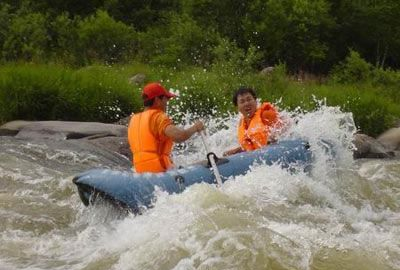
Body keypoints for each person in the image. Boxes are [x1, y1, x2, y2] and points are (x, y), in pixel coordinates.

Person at [128, 82, 204, 173]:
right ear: (157, 100)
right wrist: (196, 127)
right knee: (205, 164)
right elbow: (180, 136)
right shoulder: (158, 117)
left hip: (141, 174)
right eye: (166, 98)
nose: (167, 102)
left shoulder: (133, 120)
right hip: (161, 173)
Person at [223, 87, 282, 156]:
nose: (246, 104)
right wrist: (235, 151)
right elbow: (251, 145)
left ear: (255, 101)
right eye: (242, 102)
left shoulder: (266, 115)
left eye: (249, 99)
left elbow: (283, 135)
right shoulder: (241, 123)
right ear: (237, 107)